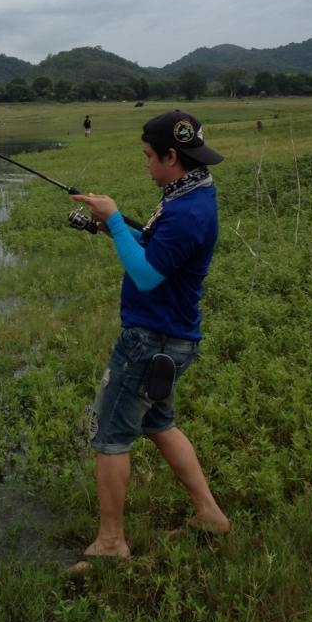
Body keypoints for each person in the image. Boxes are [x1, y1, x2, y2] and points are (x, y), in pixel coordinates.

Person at [70, 110, 230, 565]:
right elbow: (158, 247)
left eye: (147, 156)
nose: (145, 164)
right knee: (159, 424)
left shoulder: (188, 212)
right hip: (171, 337)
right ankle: (210, 515)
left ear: (171, 156)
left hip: (151, 342)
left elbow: (145, 274)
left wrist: (117, 221)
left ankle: (111, 543)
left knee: (110, 435)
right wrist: (110, 227)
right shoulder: (191, 192)